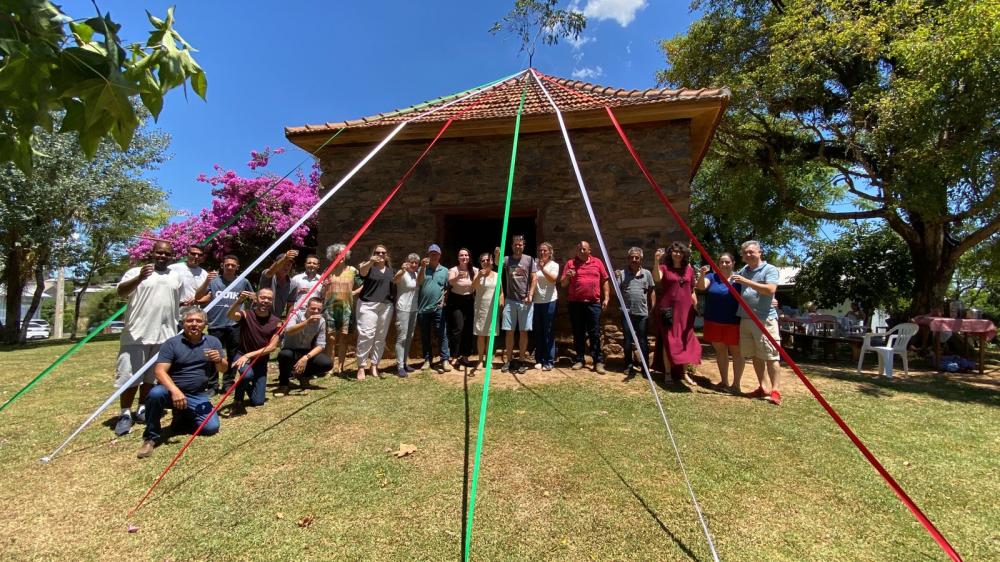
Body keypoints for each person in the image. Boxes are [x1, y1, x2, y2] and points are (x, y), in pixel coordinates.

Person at [113, 241, 183, 436]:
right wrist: (139, 278)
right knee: (129, 375)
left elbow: (176, 302)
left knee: (152, 377)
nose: (162, 256)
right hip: (137, 334)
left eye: (166, 254)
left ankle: (142, 408)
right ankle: (125, 413)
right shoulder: (136, 272)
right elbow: (121, 292)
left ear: (171, 256)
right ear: (152, 253)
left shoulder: (175, 276)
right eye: (159, 252)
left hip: (165, 335)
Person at [137, 306, 225, 458]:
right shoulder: (172, 343)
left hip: (197, 394)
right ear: (183, 323)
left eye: (198, 321)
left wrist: (219, 359)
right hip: (171, 392)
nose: (194, 324)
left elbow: (224, 368)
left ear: (205, 324)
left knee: (211, 428)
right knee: (155, 394)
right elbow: (159, 371)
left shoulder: (213, 341)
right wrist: (175, 391)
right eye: (189, 321)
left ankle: (182, 417)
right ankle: (151, 437)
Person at [730, 240, 783, 405]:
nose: (748, 255)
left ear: (760, 252)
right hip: (746, 319)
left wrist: (746, 282)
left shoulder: (769, 269)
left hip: (764, 319)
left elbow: (770, 289)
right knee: (754, 355)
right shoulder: (744, 270)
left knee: (771, 355)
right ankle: (763, 387)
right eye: (745, 253)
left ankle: (775, 391)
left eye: (751, 252)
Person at [195, 254, 253, 394]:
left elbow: (253, 298)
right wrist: (205, 284)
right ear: (222, 266)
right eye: (227, 265)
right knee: (214, 355)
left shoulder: (243, 281)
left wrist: (250, 298)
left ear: (237, 267)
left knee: (233, 355)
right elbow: (199, 297)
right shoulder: (214, 282)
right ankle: (212, 385)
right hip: (216, 323)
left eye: (233, 265)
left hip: (234, 324)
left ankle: (228, 382)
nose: (230, 267)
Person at [652, 242, 702, 385]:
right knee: (669, 340)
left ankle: (684, 373)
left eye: (680, 252)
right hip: (668, 309)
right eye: (674, 251)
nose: (677, 254)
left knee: (685, 340)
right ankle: (668, 374)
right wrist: (656, 260)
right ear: (670, 253)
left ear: (684, 254)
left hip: (686, 311)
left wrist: (696, 305)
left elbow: (692, 290)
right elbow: (656, 278)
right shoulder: (664, 267)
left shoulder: (689, 270)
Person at [696, 252, 744, 392]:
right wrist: (703, 274)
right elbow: (701, 287)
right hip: (713, 321)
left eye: (727, 262)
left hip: (734, 322)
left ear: (733, 263)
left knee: (736, 353)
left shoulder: (739, 279)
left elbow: (750, 295)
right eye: (721, 262)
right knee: (721, 352)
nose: (724, 264)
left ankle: (736, 385)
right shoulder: (712, 277)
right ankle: (724, 382)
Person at [226, 287, 280, 411]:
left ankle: (245, 387)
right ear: (256, 299)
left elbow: (272, 347)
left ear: (272, 302)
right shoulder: (246, 314)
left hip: (260, 360)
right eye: (262, 297)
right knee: (246, 375)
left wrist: (249, 355)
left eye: (269, 299)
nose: (265, 300)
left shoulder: (277, 322)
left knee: (258, 401)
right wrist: (239, 301)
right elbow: (230, 315)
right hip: (241, 354)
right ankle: (238, 399)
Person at [561, 241, 609, 374]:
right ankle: (579, 359)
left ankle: (598, 361)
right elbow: (563, 284)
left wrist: (606, 297)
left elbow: (604, 280)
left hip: (593, 303)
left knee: (594, 333)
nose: (581, 251)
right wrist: (568, 277)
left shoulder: (597, 262)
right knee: (578, 332)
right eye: (579, 249)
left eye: (584, 249)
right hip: (576, 303)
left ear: (589, 250)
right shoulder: (570, 264)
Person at [276, 296, 332, 394]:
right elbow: (288, 330)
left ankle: (303, 375)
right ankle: (284, 383)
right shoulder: (296, 315)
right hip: (290, 350)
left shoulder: (321, 321)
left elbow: (321, 345)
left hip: (305, 351)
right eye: (313, 308)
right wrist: (306, 322)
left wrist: (306, 358)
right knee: (284, 355)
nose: (316, 311)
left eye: (319, 309)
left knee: (327, 363)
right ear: (306, 307)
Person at [356, 244, 395, 380]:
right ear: (373, 253)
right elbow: (362, 272)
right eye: (378, 252)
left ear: (386, 255)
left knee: (380, 337)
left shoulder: (391, 271)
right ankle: (361, 366)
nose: (380, 255)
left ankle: (374, 365)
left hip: (386, 306)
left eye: (383, 253)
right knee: (367, 334)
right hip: (368, 304)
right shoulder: (368, 266)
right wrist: (371, 261)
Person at [322, 243, 361, 376]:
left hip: (346, 308)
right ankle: (329, 367)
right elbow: (321, 291)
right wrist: (324, 286)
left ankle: (340, 368)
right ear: (333, 256)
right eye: (338, 254)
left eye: (343, 253)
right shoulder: (328, 270)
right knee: (331, 339)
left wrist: (354, 292)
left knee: (344, 338)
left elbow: (364, 283)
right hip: (330, 308)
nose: (341, 256)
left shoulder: (352, 270)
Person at [617, 247, 655, 378]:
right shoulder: (622, 274)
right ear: (628, 259)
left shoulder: (647, 274)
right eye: (631, 257)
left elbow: (652, 291)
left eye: (636, 257)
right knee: (627, 340)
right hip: (627, 313)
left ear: (641, 259)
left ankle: (645, 367)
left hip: (642, 313)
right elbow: (614, 291)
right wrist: (615, 279)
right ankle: (628, 365)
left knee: (643, 341)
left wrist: (653, 307)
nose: (634, 259)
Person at [500, 235, 536, 374]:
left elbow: (534, 279)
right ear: (512, 245)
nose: (518, 246)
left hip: (524, 301)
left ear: (524, 245)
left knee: (523, 332)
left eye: (520, 244)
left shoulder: (529, 259)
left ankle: (521, 360)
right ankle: (509, 360)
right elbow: (497, 264)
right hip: (510, 300)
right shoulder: (507, 260)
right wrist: (498, 254)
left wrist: (531, 294)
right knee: (509, 331)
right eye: (515, 244)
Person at [417, 244, 451, 372]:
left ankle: (445, 360)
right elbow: (419, 282)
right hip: (423, 308)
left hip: (438, 308)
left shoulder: (445, 271)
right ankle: (427, 360)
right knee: (425, 335)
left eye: (436, 253)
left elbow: (447, 288)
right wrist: (422, 268)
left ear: (440, 255)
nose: (433, 255)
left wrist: (444, 301)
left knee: (442, 333)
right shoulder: (423, 269)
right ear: (428, 255)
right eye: (431, 253)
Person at [471, 252, 502, 376]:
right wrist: (478, 276)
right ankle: (479, 360)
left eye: (488, 260)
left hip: (493, 309)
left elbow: (501, 292)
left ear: (492, 262)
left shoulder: (497, 275)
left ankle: (488, 359)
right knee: (481, 335)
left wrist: (501, 305)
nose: (485, 262)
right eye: (483, 260)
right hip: (481, 308)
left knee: (491, 335)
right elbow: (472, 287)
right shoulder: (478, 274)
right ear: (480, 263)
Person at [446, 248, 478, 369]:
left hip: (469, 300)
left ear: (469, 257)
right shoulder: (454, 270)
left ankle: (465, 355)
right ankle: (454, 356)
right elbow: (450, 282)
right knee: (458, 328)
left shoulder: (474, 270)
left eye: (466, 255)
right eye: (461, 255)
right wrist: (458, 276)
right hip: (456, 300)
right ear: (458, 258)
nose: (464, 257)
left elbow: (477, 284)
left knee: (468, 328)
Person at [532, 242, 560, 371]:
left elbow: (553, 279)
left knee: (548, 330)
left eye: (545, 251)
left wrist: (543, 268)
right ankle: (539, 359)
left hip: (550, 301)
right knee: (538, 330)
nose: (542, 253)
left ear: (550, 252)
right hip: (537, 301)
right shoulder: (534, 264)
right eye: (540, 251)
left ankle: (549, 360)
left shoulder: (554, 265)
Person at [393, 253, 421, 378]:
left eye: (416, 263)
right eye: (411, 262)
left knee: (410, 336)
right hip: (403, 308)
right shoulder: (402, 272)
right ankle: (399, 366)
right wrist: (402, 270)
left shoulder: (416, 274)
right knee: (402, 337)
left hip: (413, 309)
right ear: (406, 262)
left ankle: (404, 363)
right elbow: (395, 280)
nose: (414, 264)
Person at [259, 249, 297, 317]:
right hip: (258, 316)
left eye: (289, 264)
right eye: (284, 263)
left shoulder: (293, 284)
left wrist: (286, 323)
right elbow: (270, 272)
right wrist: (285, 258)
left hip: (274, 320)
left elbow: (290, 305)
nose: (287, 266)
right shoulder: (267, 275)